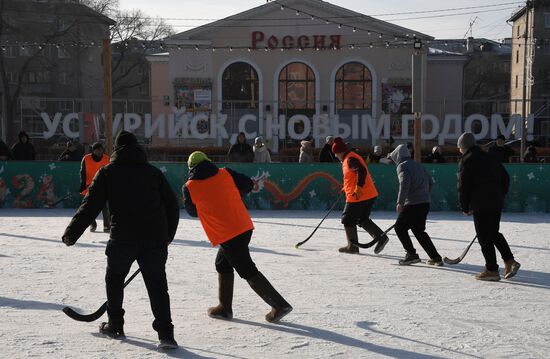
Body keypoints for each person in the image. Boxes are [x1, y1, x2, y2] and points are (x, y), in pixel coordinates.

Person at [62, 131, 180, 349]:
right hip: (153, 239)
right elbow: (172, 206)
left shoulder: (107, 172)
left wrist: (72, 232)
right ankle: (166, 335)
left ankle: (115, 324)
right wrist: (167, 236)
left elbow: (90, 206)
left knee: (115, 279)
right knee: (157, 285)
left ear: (116, 150)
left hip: (122, 239)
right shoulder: (153, 173)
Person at [182, 151, 292, 323]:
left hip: (226, 232)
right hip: (243, 225)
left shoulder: (189, 187)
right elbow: (248, 184)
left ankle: (279, 305)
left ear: (190, 168)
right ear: (208, 161)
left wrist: (210, 204)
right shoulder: (225, 172)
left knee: (246, 269)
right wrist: (231, 195)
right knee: (222, 263)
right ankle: (224, 307)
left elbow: (192, 211)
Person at [457, 132, 520, 281]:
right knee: (493, 233)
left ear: (463, 147)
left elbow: (463, 186)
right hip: (495, 202)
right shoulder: (491, 157)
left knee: (484, 237)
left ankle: (491, 270)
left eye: (460, 147)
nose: (459, 150)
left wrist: (465, 206)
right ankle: (510, 261)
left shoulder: (467, 160)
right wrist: (500, 195)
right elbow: (505, 178)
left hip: (481, 204)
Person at [331, 137, 389, 254]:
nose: (336, 156)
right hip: (368, 194)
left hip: (358, 196)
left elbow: (361, 171)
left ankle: (352, 247)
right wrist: (346, 187)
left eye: (336, 154)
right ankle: (381, 237)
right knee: (362, 219)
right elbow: (352, 176)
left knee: (347, 219)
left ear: (341, 152)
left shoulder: (350, 159)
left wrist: (359, 187)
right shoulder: (349, 158)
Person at [390, 144, 443, 265]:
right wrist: (423, 194)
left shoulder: (402, 167)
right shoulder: (418, 165)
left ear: (397, 156)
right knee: (419, 231)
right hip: (424, 203)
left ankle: (411, 254)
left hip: (413, 204)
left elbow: (404, 185)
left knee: (399, 228)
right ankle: (435, 257)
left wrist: (400, 202)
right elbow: (431, 182)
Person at [80, 142, 111, 232]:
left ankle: (107, 226)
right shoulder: (86, 158)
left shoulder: (106, 158)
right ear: (93, 151)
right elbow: (83, 172)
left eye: (101, 149)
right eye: (98, 150)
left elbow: (110, 173)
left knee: (104, 207)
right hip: (89, 186)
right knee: (89, 207)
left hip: (102, 186)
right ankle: (92, 224)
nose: (100, 152)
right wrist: (82, 184)